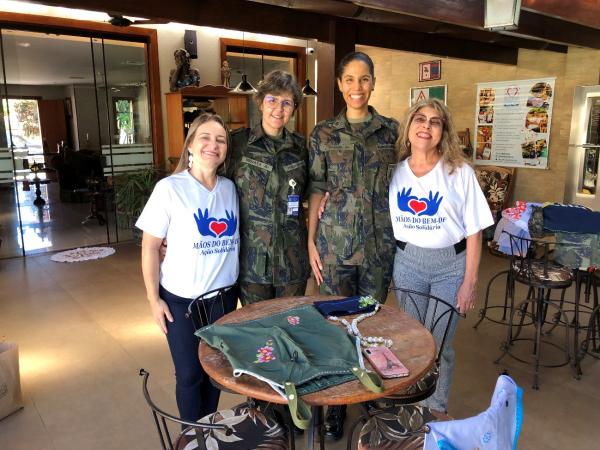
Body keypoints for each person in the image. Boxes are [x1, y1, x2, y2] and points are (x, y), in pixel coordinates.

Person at [307, 51, 398, 440]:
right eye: (349, 80)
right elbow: (316, 188)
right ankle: (335, 405)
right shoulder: (323, 133)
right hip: (335, 249)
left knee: (371, 324)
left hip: (379, 250)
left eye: (364, 79)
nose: (356, 87)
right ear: (340, 84)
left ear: (373, 83)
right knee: (336, 329)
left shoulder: (393, 131)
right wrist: (311, 240)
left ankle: (370, 396)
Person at [388, 98, 494, 413]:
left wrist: (469, 282)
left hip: (450, 267)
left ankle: (435, 408)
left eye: (435, 122)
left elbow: (475, 230)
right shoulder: (394, 172)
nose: (426, 126)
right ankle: (410, 403)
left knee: (439, 344)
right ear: (408, 128)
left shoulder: (459, 172)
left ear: (442, 132)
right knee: (411, 341)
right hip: (407, 264)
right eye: (420, 119)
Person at [137, 113, 239, 423]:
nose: (213, 145)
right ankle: (192, 436)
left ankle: (208, 427)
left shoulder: (231, 188)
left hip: (223, 299)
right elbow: (150, 247)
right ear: (190, 145)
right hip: (181, 301)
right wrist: (154, 300)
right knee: (189, 375)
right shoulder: (170, 188)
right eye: (205, 138)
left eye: (220, 140)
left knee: (215, 372)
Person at [223, 70, 309, 305]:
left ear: (294, 109)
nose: (278, 109)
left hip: (292, 261)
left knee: (291, 324)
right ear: (260, 102)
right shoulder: (238, 144)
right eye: (272, 100)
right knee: (257, 329)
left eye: (286, 103)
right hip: (251, 263)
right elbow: (210, 188)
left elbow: (315, 192)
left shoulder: (301, 148)